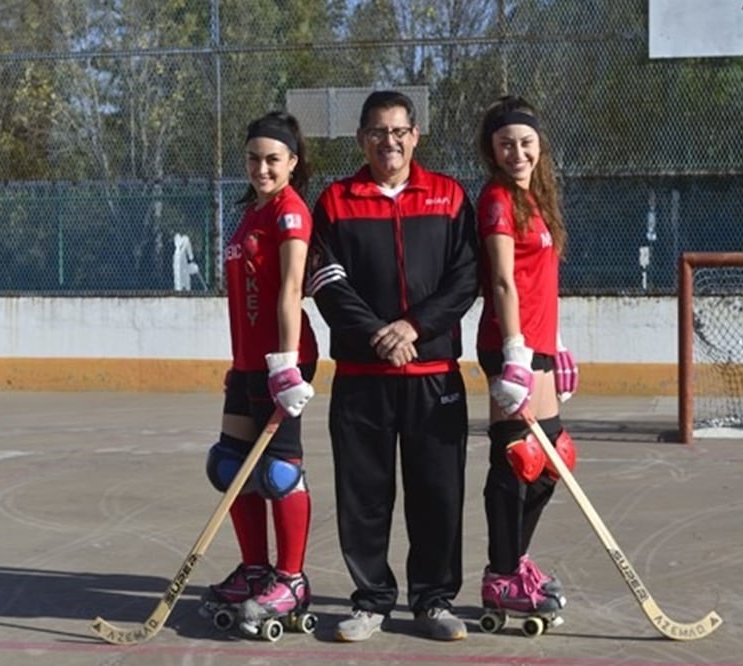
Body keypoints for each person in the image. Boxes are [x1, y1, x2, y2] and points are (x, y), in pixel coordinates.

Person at [306, 90, 479, 642]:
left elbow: (466, 277)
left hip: (433, 378)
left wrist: (414, 327)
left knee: (437, 493)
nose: (390, 141)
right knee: (364, 495)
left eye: (399, 131)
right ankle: (371, 601)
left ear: (415, 136)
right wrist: (379, 334)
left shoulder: (449, 197)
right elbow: (327, 281)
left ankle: (433, 600)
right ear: (362, 139)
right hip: (362, 379)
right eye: (378, 132)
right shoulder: (335, 201)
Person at [199, 111, 319, 635]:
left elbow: (292, 289)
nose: (262, 169)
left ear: (292, 162)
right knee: (231, 466)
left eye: (273, 159)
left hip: (282, 361)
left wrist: (286, 364)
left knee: (278, 473)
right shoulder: (250, 213)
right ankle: (254, 571)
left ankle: (290, 580)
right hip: (247, 362)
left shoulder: (289, 213)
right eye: (254, 158)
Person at [473, 95, 579, 620]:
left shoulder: (536, 197)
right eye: (506, 144)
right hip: (508, 344)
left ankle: (516, 560)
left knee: (554, 458)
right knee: (517, 459)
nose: (518, 152)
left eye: (526, 142)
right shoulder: (497, 199)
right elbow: (501, 280)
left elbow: (541, 283)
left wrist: (555, 344)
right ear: (492, 150)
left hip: (537, 343)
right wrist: (515, 353)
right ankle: (500, 576)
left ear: (540, 146)